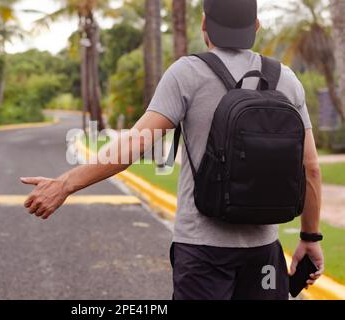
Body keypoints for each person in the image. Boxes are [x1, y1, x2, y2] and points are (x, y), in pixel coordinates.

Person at [20, 0, 324, 300]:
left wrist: (65, 184)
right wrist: (310, 237)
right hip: (264, 253)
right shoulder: (286, 79)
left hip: (202, 252)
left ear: (204, 24)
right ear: (256, 26)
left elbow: (133, 145)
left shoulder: (188, 73)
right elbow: (310, 168)